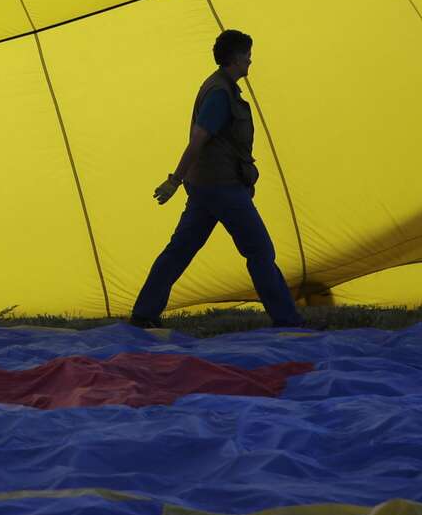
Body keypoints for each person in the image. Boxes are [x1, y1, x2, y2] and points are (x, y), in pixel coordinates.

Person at [129, 29, 310, 329]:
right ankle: (288, 321)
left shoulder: (219, 88)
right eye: (247, 55)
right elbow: (198, 139)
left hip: (204, 189)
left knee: (180, 249)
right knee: (260, 250)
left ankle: (144, 313)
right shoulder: (219, 94)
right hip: (222, 189)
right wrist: (174, 180)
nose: (251, 61)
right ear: (236, 58)